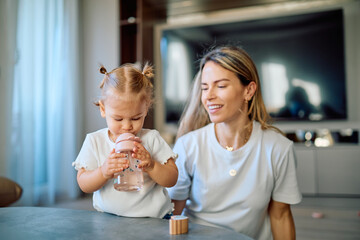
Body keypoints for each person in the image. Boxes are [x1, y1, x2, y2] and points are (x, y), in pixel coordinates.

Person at [167, 46, 302, 239]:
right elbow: (172, 216)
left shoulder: (279, 148)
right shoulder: (188, 146)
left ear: (249, 90)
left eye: (220, 86)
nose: (208, 96)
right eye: (204, 88)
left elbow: (280, 216)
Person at [73, 63, 178, 218]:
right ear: (103, 109)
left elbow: (172, 178)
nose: (127, 126)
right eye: (118, 118)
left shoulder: (151, 138)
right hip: (109, 218)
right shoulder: (95, 141)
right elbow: (84, 184)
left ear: (146, 107)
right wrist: (103, 171)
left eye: (136, 118)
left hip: (153, 220)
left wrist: (152, 165)